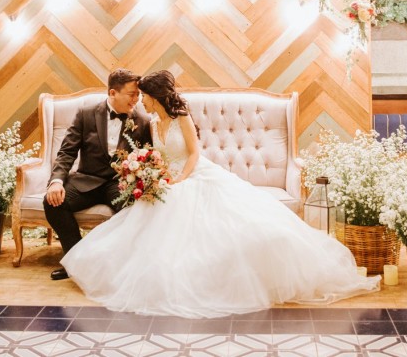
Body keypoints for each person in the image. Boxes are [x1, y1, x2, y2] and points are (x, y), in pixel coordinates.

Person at [61, 70, 379, 317]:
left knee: (227, 225)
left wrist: (180, 179)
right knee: (146, 224)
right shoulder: (151, 122)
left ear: (155, 97)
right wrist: (152, 173)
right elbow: (153, 155)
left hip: (194, 175)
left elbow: (194, 153)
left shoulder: (181, 116)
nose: (140, 100)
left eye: (143, 95)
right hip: (168, 180)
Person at [45, 68, 152, 281]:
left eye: (138, 94)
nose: (136, 99)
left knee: (136, 209)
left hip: (120, 183)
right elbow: (67, 151)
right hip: (87, 180)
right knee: (53, 203)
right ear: (113, 93)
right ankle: (75, 262)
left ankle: (119, 266)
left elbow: (148, 156)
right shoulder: (86, 113)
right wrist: (56, 181)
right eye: (132, 94)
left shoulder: (142, 120)